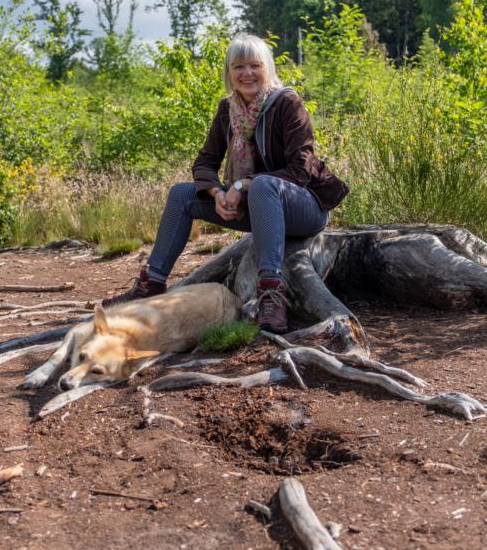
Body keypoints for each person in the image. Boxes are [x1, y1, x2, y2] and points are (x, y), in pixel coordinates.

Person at [104, 34, 348, 333]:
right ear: (229, 72)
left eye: (254, 65)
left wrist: (243, 185)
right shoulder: (227, 110)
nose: (247, 73)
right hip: (256, 207)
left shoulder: (287, 102)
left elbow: (300, 170)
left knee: (262, 186)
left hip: (303, 207)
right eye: (238, 66)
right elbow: (204, 162)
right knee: (181, 194)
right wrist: (217, 192)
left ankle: (271, 293)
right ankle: (151, 283)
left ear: (267, 68)